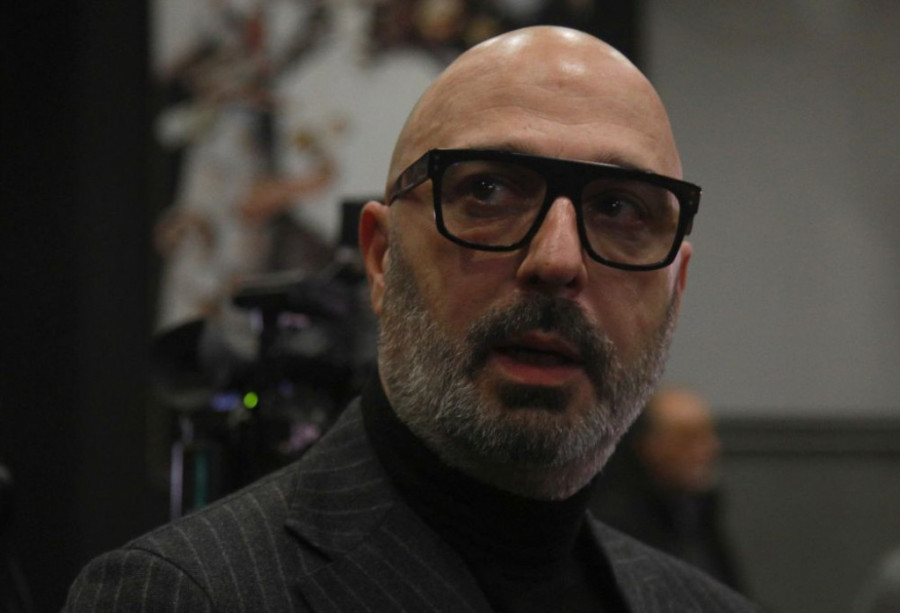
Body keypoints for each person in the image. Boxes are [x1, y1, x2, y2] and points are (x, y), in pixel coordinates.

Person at [64, 26, 758, 612]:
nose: (556, 260)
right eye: (488, 190)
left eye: (619, 208)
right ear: (381, 257)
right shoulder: (184, 594)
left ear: (676, 287)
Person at [591, 386, 746, 591]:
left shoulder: (698, 512)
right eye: (689, 437)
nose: (710, 448)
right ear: (648, 445)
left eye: (709, 434)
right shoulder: (613, 523)